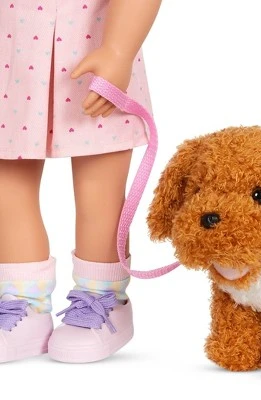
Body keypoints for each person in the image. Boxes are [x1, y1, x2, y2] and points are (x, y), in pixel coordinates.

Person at [0, 0, 161, 363]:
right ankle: (22, 302)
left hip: (91, 56)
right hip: (11, 55)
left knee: (100, 193)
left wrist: (118, 50)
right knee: (8, 187)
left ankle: (102, 297)